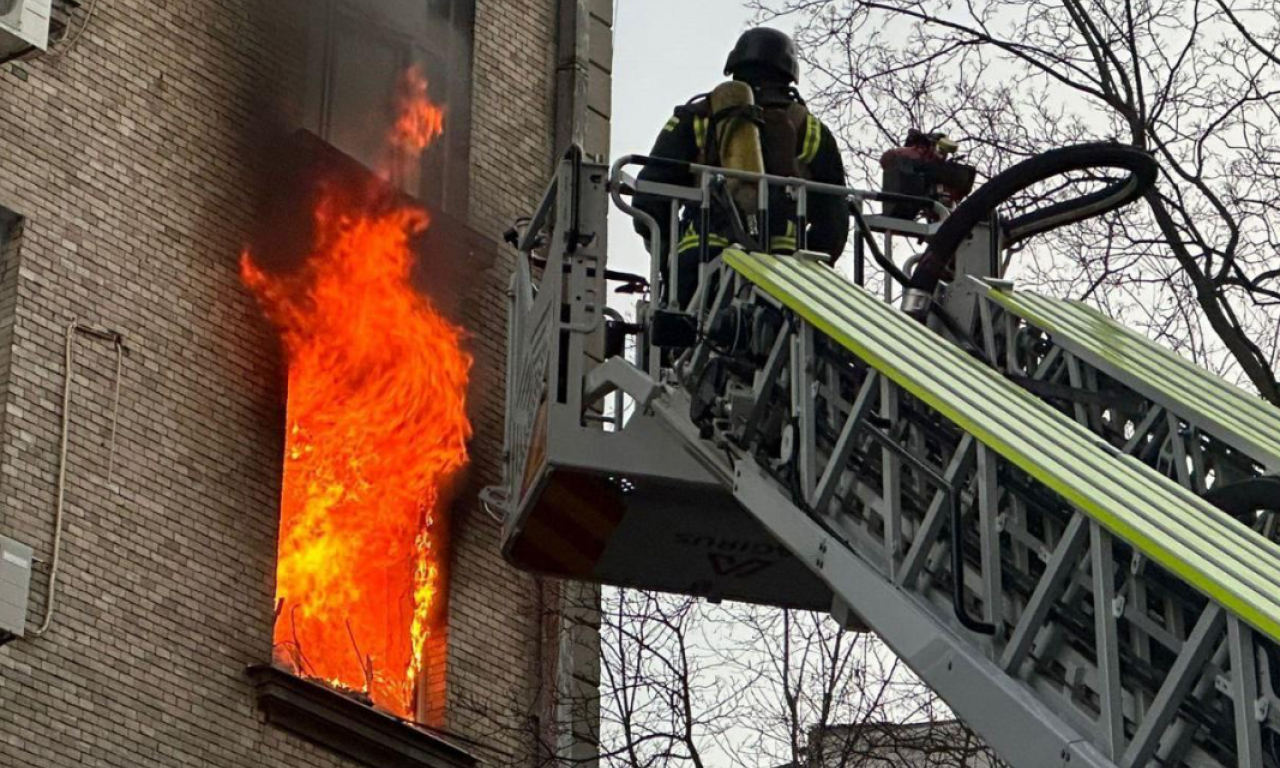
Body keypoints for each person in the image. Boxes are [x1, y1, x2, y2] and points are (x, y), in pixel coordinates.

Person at [633, 27, 850, 308]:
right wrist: (811, 266)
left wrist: (668, 258)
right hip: (785, 274)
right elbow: (834, 219)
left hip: (700, 265)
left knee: (679, 345)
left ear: (734, 67)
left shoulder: (697, 117)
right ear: (788, 74)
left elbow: (649, 198)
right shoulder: (813, 131)